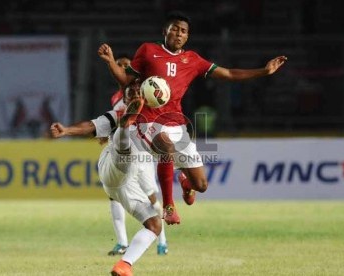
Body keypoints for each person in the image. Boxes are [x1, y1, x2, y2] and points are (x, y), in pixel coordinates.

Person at [98, 11, 288, 225]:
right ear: (165, 31)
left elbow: (228, 74)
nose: (179, 33)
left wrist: (263, 71)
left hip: (176, 123)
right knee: (165, 145)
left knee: (202, 185)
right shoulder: (148, 50)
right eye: (175, 29)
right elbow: (125, 80)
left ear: (187, 37)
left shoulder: (193, 60)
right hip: (148, 121)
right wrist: (110, 62)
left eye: (184, 31)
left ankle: (186, 182)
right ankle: (169, 206)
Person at [51, 80, 162, 275]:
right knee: (122, 138)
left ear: (146, 96)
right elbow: (91, 126)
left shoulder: (155, 121)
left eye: (139, 93)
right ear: (125, 100)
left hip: (124, 183)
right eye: (131, 95)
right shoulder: (116, 114)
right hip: (113, 165)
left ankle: (124, 265)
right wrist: (67, 130)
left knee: (154, 225)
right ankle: (125, 128)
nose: (135, 96)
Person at [106, 55, 168, 256]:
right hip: (123, 155)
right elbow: (114, 122)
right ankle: (122, 242)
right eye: (120, 66)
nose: (123, 69)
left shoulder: (146, 93)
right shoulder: (118, 99)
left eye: (126, 66)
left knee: (151, 198)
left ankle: (162, 241)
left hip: (142, 157)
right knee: (114, 196)